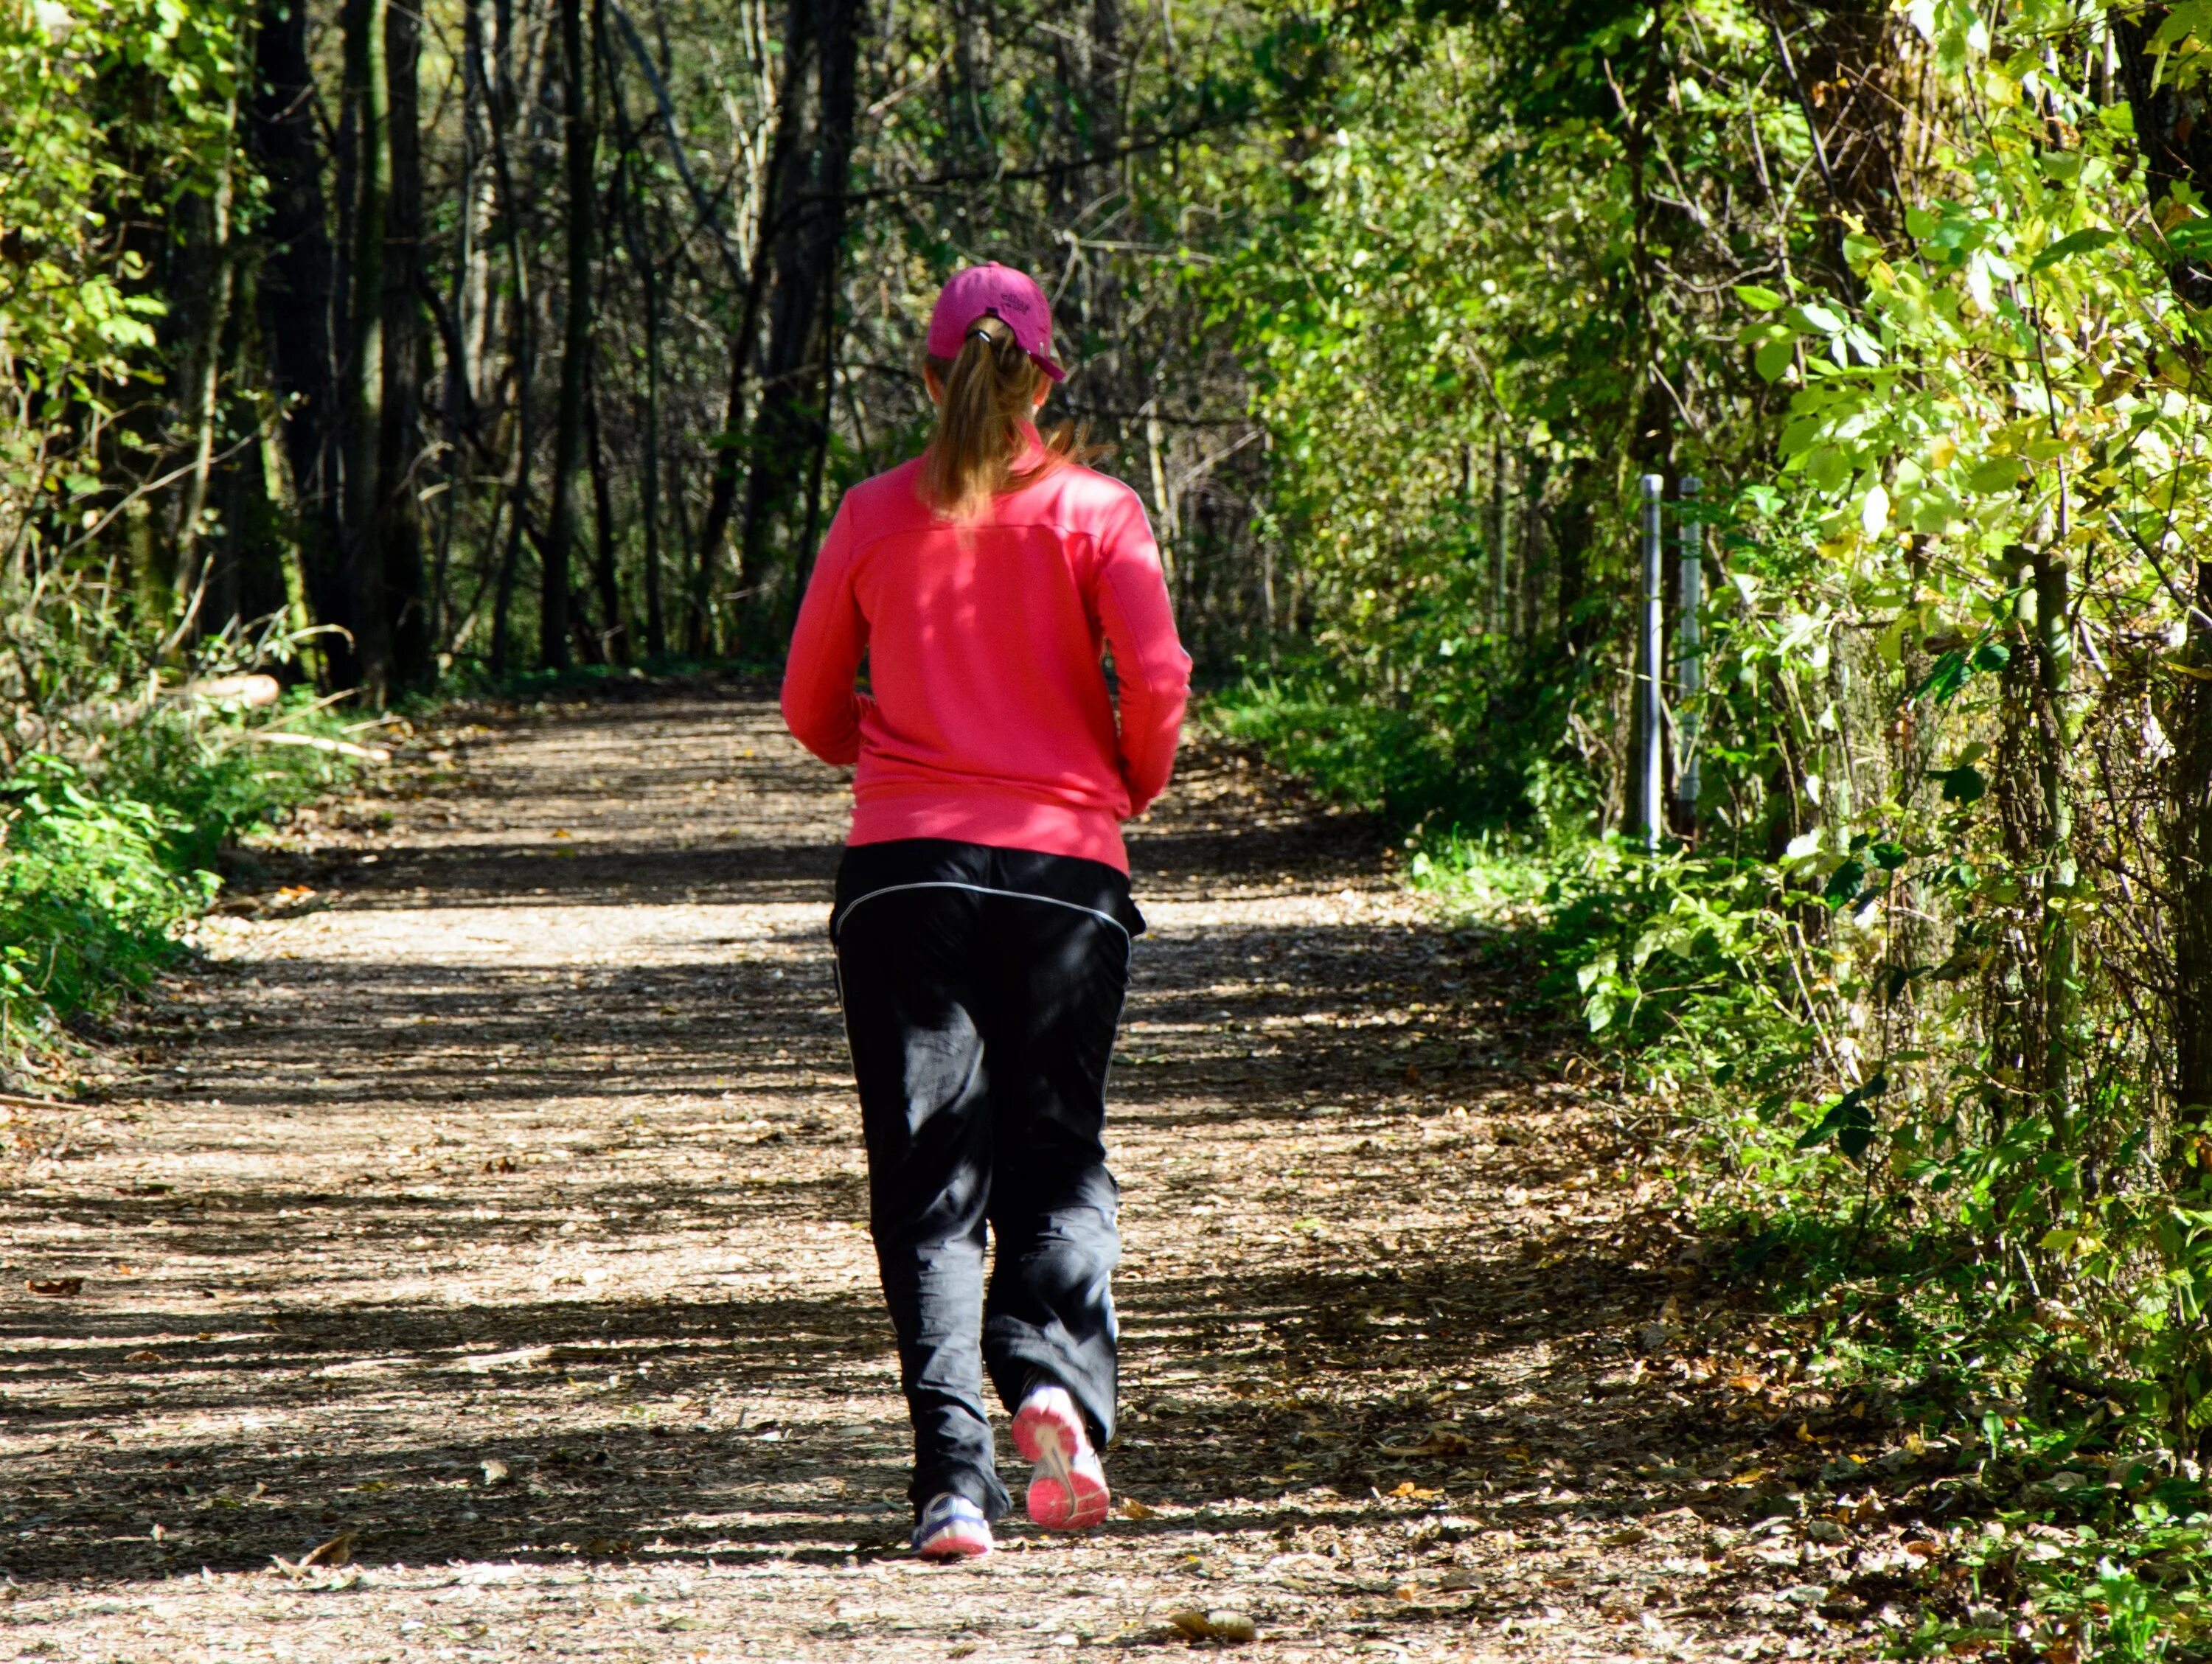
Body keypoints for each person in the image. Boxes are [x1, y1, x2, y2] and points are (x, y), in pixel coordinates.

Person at [781, 262, 1191, 1561]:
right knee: (1057, 1147)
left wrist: (898, 755)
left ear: (931, 372)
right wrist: (1126, 780)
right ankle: (1055, 1387)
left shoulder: (868, 516)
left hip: (906, 876)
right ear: (1042, 378)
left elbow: (806, 709)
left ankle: (954, 1484)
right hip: (1067, 872)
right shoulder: (1098, 510)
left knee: (931, 1182)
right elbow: (1161, 675)